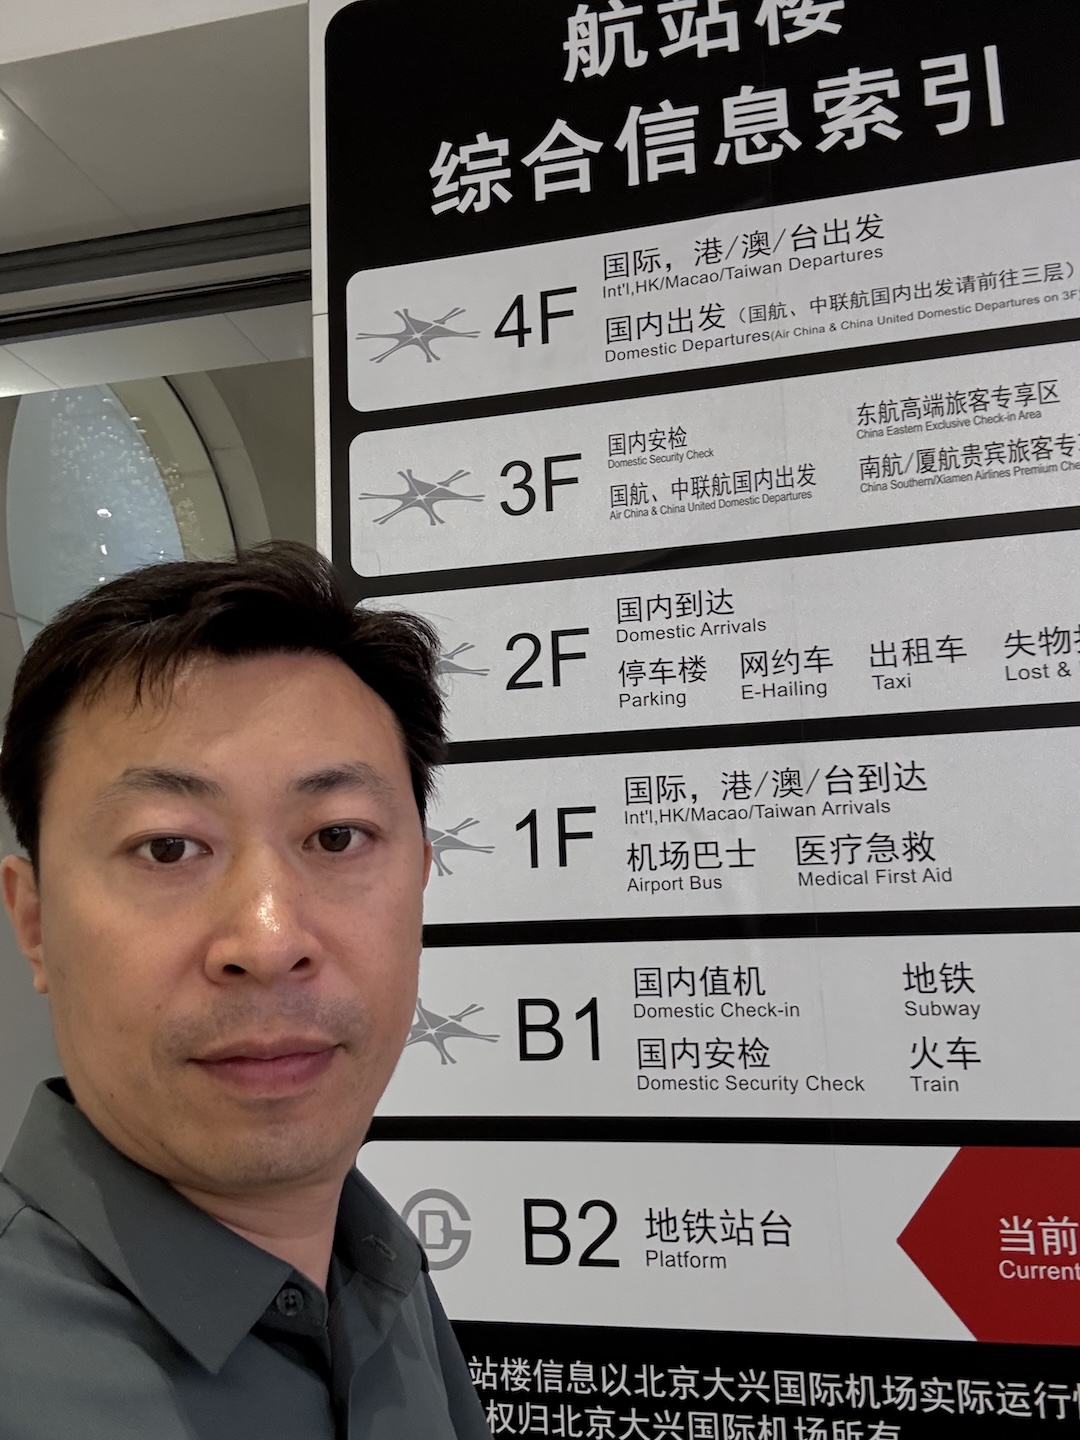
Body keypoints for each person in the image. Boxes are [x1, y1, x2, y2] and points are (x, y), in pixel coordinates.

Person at [0, 542, 488, 1439]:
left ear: (422, 880)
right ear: (34, 920)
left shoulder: (385, 1280)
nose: (268, 943)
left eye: (337, 836)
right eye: (168, 848)